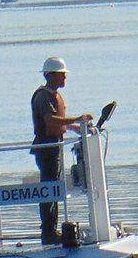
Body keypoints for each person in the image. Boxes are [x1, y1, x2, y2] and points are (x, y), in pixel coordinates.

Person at [30, 55, 93, 246]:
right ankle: (48, 232)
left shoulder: (52, 95)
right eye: (61, 75)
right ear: (50, 75)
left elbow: (57, 123)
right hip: (46, 148)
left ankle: (52, 229)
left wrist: (75, 128)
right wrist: (75, 119)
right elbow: (50, 120)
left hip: (53, 146)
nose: (65, 78)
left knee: (53, 189)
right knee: (49, 190)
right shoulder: (43, 96)